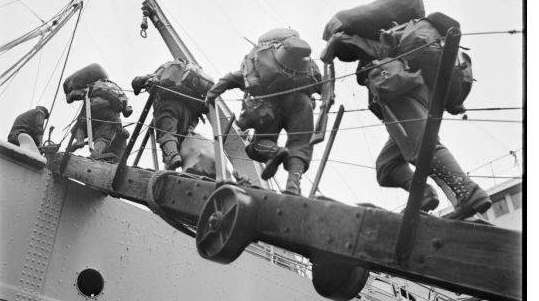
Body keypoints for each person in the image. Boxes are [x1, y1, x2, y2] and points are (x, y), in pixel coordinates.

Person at [351, 54, 492, 220]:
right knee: (386, 166)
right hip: (407, 84)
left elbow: (354, 30)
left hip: (399, 86)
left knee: (423, 147)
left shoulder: (380, 42)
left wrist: (338, 37)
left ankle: (469, 192)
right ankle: (424, 194)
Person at [205, 33, 322, 195]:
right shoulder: (306, 67)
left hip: (269, 105)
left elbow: (231, 78)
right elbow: (322, 88)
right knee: (301, 146)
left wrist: (211, 94)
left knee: (255, 146)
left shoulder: (261, 62)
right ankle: (293, 185)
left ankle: (275, 152)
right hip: (301, 104)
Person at [131, 58, 212, 171]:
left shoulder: (169, 66)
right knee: (182, 141)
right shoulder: (198, 76)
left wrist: (137, 84)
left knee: (166, 133)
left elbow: (147, 80)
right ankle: (175, 167)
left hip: (169, 105)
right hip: (191, 115)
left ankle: (172, 156)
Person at [67, 77, 132, 161]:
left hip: (94, 109)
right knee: (103, 137)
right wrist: (126, 108)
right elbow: (126, 111)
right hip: (111, 115)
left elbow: (74, 95)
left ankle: (80, 140)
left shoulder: (95, 85)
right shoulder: (120, 91)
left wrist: (70, 95)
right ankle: (96, 152)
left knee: (79, 127)